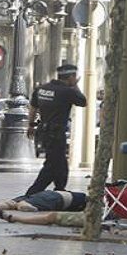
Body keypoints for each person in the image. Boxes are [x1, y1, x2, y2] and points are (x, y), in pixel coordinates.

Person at [26, 62, 87, 195]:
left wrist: (30, 125)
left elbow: (33, 106)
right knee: (52, 164)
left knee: (61, 162)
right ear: (71, 77)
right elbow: (83, 101)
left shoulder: (42, 88)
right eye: (74, 77)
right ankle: (32, 192)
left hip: (43, 130)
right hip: (56, 133)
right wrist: (75, 85)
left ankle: (60, 188)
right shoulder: (68, 91)